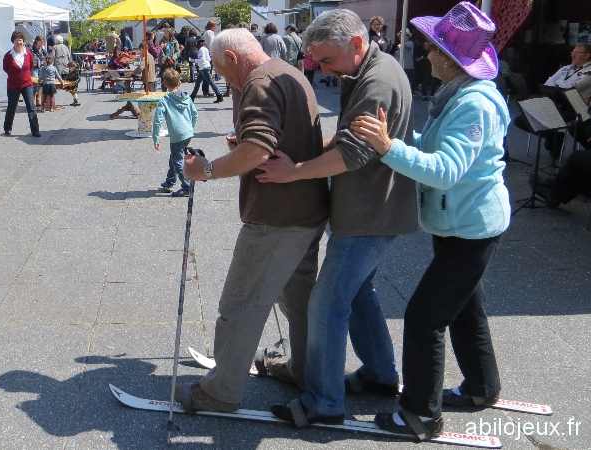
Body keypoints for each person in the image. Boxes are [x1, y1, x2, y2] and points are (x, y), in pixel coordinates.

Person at [348, 3, 510, 440]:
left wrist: (388, 149)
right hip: (461, 224)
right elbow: (435, 145)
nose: (425, 52)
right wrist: (397, 138)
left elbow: (444, 169)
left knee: (424, 317)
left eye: (432, 47)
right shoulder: (459, 94)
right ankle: (482, 387)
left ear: (450, 58)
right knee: (464, 309)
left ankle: (419, 414)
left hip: (473, 229)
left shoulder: (474, 104)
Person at [255, 8, 416, 426]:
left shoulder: (377, 81)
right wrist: (298, 149)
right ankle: (381, 376)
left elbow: (349, 154)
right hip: (370, 210)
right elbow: (346, 137)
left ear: (357, 44)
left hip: (369, 215)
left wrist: (292, 172)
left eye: (326, 60)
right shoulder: (369, 70)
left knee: (326, 305)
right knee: (360, 295)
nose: (322, 69)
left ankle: (324, 404)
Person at [176, 28, 329, 413]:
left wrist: (206, 169)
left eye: (219, 67)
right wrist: (243, 142)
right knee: (298, 299)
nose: (221, 76)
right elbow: (271, 137)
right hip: (307, 209)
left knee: (240, 303)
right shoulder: (287, 71)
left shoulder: (259, 82)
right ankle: (304, 370)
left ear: (231, 55)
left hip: (276, 217)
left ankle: (220, 391)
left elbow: (259, 150)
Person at [152, 69, 198, 198]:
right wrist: (190, 127)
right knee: (174, 157)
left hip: (177, 135)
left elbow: (157, 121)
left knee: (177, 160)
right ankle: (170, 181)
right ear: (179, 83)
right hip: (188, 133)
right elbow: (195, 114)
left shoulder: (164, 101)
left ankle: (187, 186)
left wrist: (156, 138)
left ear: (165, 83)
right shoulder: (187, 97)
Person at [3, 31, 41, 137]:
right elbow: (6, 68)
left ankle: (35, 130)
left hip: (27, 84)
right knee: (11, 107)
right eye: (16, 40)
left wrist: (23, 75)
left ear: (23, 41)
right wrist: (15, 75)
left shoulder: (28, 53)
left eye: (20, 40)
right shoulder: (8, 55)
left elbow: (30, 66)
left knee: (31, 107)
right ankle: (7, 128)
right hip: (13, 85)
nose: (18, 42)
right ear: (13, 42)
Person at [189, 38, 223, 103]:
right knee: (198, 83)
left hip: (204, 68)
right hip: (204, 67)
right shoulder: (205, 49)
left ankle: (219, 95)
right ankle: (192, 96)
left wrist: (194, 60)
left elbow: (203, 59)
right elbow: (208, 59)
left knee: (210, 82)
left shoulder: (201, 49)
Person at [31, 35, 47, 108]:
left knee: (40, 84)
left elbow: (47, 56)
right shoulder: (31, 49)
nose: (42, 44)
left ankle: (38, 100)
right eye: (41, 42)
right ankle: (32, 101)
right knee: (35, 83)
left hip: (41, 68)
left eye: (43, 42)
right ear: (37, 41)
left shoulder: (42, 49)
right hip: (34, 68)